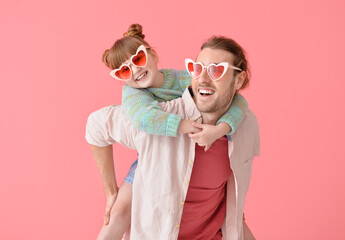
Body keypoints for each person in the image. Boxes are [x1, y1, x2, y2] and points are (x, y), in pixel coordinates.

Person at [86, 35, 260, 239]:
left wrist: (221, 129)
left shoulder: (245, 126)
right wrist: (110, 193)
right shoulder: (148, 114)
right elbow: (97, 125)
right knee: (118, 214)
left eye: (216, 70)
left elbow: (238, 102)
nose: (203, 78)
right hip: (151, 162)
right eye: (198, 68)